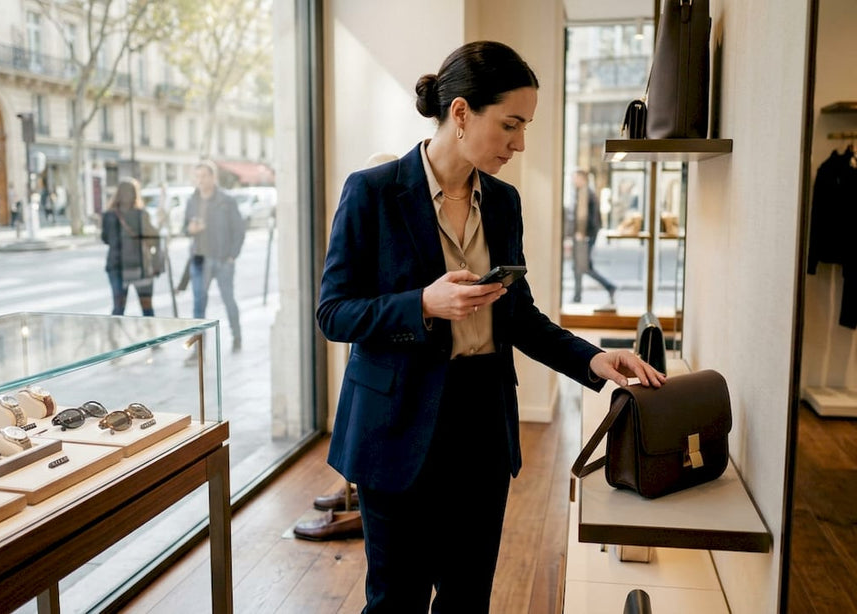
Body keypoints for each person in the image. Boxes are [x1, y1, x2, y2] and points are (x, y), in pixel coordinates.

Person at [316, 41, 666, 613]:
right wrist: (421, 303)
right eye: (510, 124)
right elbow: (334, 313)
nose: (520, 142)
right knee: (394, 600)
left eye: (524, 126)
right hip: (395, 428)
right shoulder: (372, 192)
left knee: (467, 598)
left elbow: (519, 315)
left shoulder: (502, 203)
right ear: (460, 113)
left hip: (481, 424)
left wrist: (592, 360)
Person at [183, 160, 246, 351]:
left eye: (204, 176)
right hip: (200, 259)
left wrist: (232, 256)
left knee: (228, 300)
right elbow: (184, 228)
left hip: (222, 259)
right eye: (197, 176)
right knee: (198, 305)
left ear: (213, 177)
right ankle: (198, 349)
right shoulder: (192, 200)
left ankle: (237, 337)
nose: (200, 180)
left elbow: (239, 229)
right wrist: (190, 229)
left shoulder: (226, 200)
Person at [101, 178, 158, 316]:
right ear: (135, 194)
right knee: (147, 309)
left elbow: (105, 239)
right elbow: (153, 239)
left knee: (119, 308)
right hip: (139, 266)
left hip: (116, 266)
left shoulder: (109, 215)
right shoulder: (141, 214)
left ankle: (114, 336)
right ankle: (150, 335)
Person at [571, 169, 617, 305]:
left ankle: (609, 286)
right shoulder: (584, 193)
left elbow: (588, 219)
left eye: (576, 178)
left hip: (585, 237)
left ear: (582, 179)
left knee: (584, 267)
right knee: (580, 267)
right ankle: (577, 296)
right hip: (584, 237)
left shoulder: (586, 194)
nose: (574, 181)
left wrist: (583, 235)